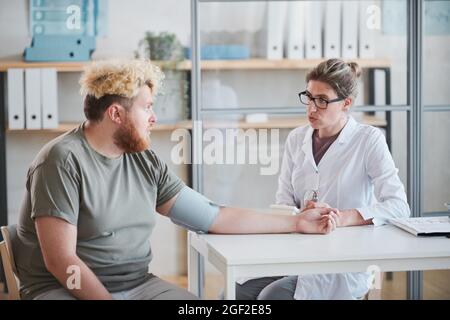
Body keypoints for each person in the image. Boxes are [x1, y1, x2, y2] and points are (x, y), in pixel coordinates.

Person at [13, 59, 338, 300]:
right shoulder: (61, 161)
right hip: (63, 289)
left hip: (136, 284)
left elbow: (214, 216)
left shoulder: (142, 158)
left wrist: (296, 222)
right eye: (147, 108)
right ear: (116, 114)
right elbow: (61, 261)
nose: (154, 118)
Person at [235, 58, 410, 300]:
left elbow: (399, 206)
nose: (311, 108)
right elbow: (283, 203)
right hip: (296, 251)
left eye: (322, 101)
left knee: (272, 297)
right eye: (308, 97)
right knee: (236, 290)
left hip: (344, 262)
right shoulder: (297, 139)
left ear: (346, 103)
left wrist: (342, 217)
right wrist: (300, 214)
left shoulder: (369, 140)